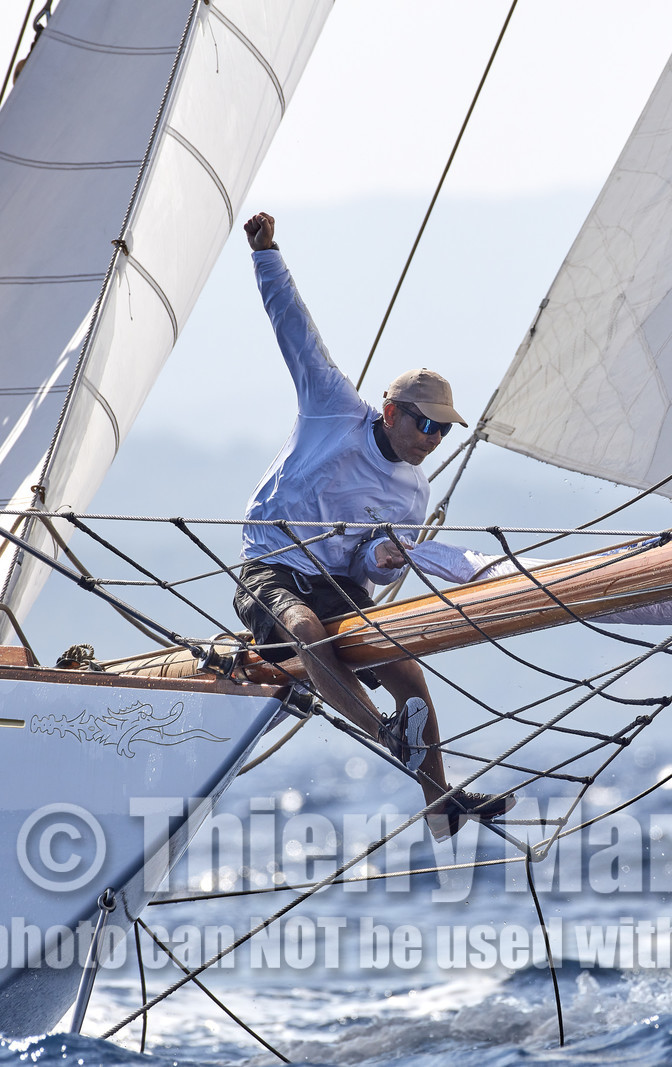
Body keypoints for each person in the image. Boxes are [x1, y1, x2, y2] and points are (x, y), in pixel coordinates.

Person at [232, 211, 513, 834]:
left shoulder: (413, 495)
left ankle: (440, 807)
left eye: (445, 429)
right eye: (427, 424)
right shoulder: (335, 409)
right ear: (390, 411)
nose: (435, 438)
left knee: (408, 670)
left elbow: (364, 563)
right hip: (272, 567)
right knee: (306, 628)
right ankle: (384, 733)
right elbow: (296, 334)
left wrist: (377, 561)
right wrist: (266, 254)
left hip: (337, 584)